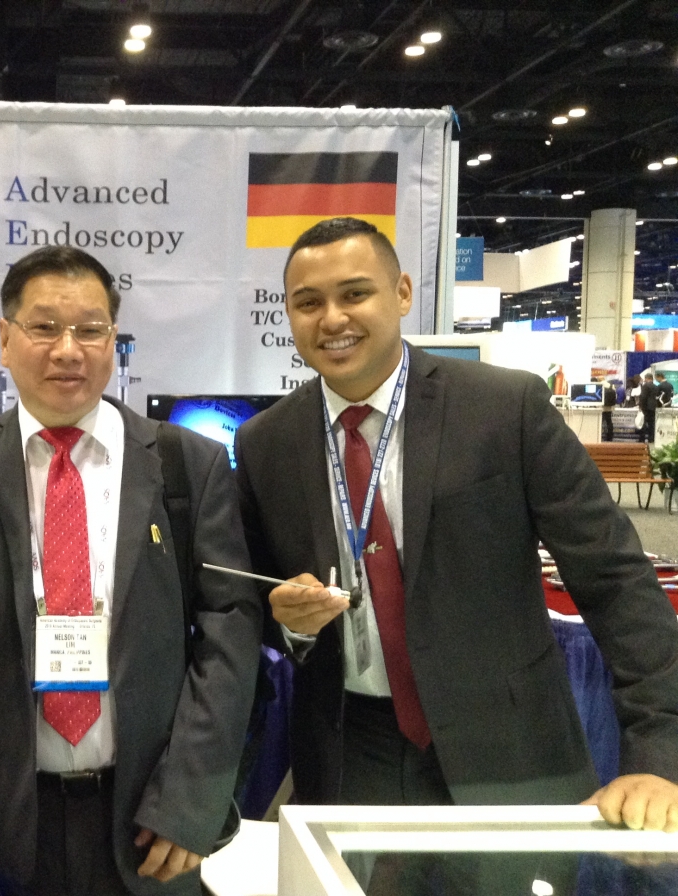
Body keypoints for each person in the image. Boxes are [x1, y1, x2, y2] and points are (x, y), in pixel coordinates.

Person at [235, 217, 678, 833]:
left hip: (511, 751)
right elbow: (252, 596)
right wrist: (290, 621)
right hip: (349, 756)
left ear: (402, 294)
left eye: (355, 293)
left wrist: (659, 753)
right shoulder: (266, 443)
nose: (332, 318)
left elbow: (616, 580)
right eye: (308, 303)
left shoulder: (505, 408)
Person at [0, 246, 261, 895]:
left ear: (113, 341)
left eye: (90, 330)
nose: (68, 350)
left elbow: (228, 638)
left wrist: (190, 801)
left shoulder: (185, 466)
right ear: (5, 339)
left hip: (149, 822)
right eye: (44, 327)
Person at [640, 372, 660, 443]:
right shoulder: (656, 386)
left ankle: (642, 438)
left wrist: (641, 406)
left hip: (646, 407)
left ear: (647, 378)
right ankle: (651, 438)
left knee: (643, 423)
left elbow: (643, 397)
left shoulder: (645, 386)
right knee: (652, 424)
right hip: (653, 407)